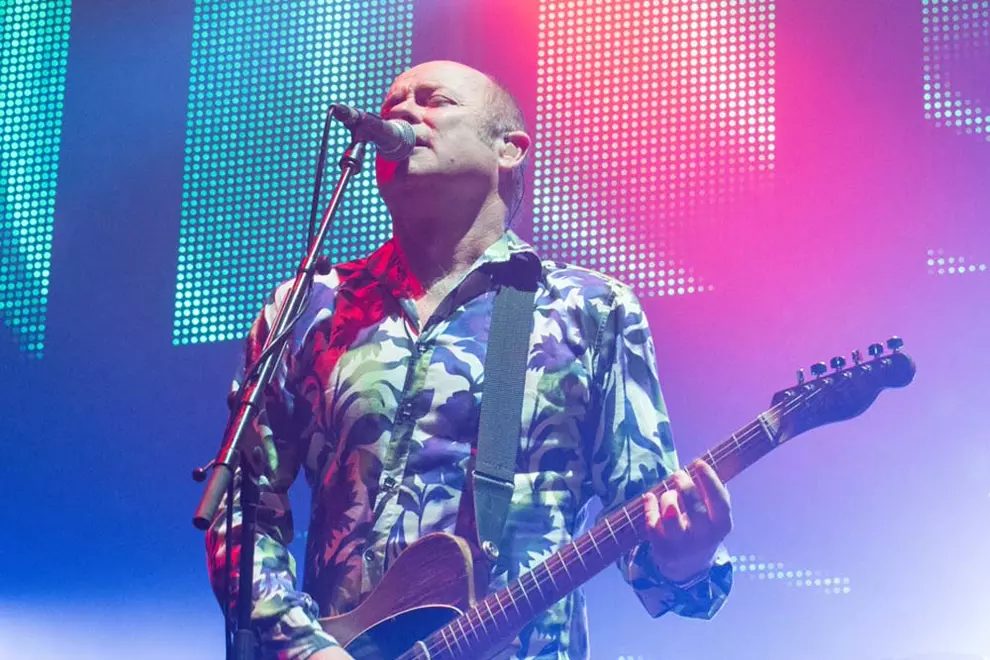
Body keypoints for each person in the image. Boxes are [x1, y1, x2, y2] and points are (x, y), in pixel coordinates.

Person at [207, 60, 733, 660]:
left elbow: (648, 537)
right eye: (394, 101)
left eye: (434, 100)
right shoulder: (312, 306)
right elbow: (244, 510)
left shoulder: (590, 309)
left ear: (509, 149)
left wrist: (687, 559)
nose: (400, 112)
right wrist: (304, 649)